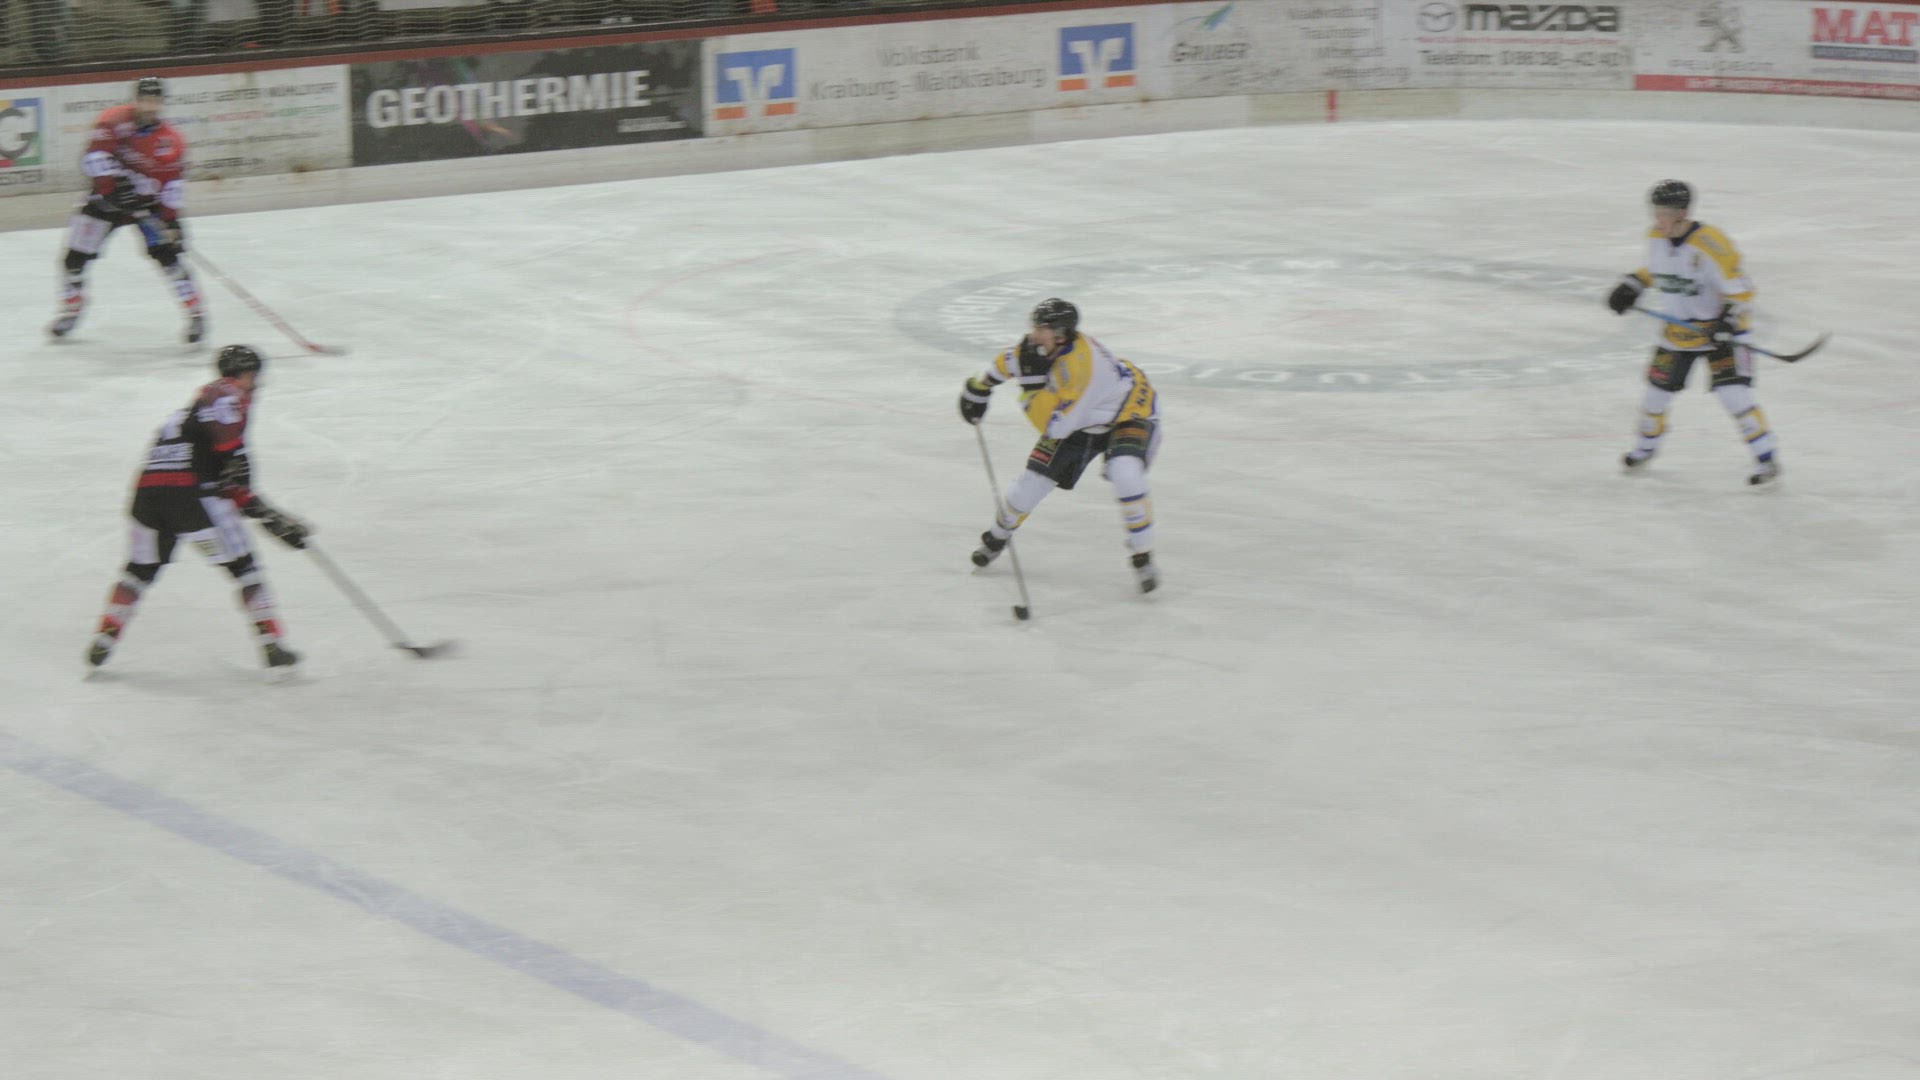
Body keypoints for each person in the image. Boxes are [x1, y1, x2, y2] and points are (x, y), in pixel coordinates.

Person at [87, 345, 310, 671]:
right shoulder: (229, 397)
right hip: (193, 497)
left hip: (147, 497)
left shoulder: (186, 413)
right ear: (245, 374)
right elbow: (232, 475)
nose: (256, 385)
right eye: (254, 377)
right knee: (246, 570)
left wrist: (266, 514)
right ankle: (271, 644)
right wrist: (271, 518)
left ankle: (106, 636)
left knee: (138, 572)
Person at [958, 298, 1163, 593]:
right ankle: (997, 536)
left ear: (1061, 335)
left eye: (1043, 329)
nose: (1035, 334)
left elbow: (1056, 428)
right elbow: (1007, 361)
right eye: (1035, 326)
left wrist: (1031, 387)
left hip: (1128, 412)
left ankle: (1143, 554)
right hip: (1080, 418)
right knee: (1030, 484)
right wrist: (979, 389)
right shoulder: (1039, 347)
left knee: (1125, 472)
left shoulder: (1083, 369)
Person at [1607, 179, 1780, 485]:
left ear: (1683, 213)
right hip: (1679, 333)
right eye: (1656, 211)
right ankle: (1645, 449)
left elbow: (1742, 291)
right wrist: (1633, 284)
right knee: (1654, 396)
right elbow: (1657, 269)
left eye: (1665, 213)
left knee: (1733, 396)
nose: (1658, 219)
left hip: (1722, 335)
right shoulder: (1655, 237)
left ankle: (1766, 459)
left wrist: (1726, 322)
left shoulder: (1711, 245)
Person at [49, 76, 206, 345]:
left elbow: (172, 184)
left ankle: (195, 313)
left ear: (162, 103)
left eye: (155, 100)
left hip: (147, 206)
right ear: (136, 100)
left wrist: (171, 221)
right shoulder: (113, 121)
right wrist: (111, 188)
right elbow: (93, 158)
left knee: (169, 256)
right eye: (145, 100)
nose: (150, 106)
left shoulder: (171, 141)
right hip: (105, 202)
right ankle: (72, 308)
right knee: (74, 259)